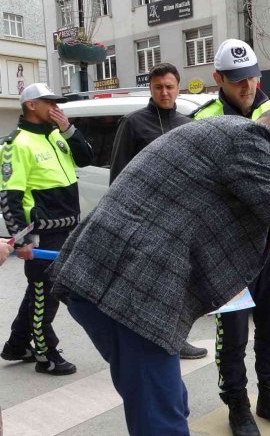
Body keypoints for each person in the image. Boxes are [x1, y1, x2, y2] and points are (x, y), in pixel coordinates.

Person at [48, 104, 270, 436]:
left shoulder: (230, 134)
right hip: (129, 293)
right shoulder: (253, 141)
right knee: (162, 418)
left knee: (166, 403)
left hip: (107, 282)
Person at [191, 38, 270, 435]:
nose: (246, 86)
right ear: (218, 78)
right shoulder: (204, 119)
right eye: (236, 79)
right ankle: (237, 403)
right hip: (229, 251)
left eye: (251, 77)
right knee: (233, 333)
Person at [107, 63, 206, 360]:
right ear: (150, 88)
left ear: (179, 88)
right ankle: (140, 340)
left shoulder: (188, 124)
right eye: (158, 86)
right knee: (144, 282)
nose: (164, 92)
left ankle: (176, 338)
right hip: (144, 218)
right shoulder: (133, 123)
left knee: (178, 282)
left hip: (180, 220)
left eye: (170, 87)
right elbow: (119, 174)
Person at [0, 83, 94, 375]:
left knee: (39, 291)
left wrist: (69, 130)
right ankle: (46, 354)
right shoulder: (17, 144)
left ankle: (18, 344)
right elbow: (9, 197)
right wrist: (20, 240)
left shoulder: (56, 135)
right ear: (31, 105)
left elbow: (86, 158)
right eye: (48, 102)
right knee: (46, 292)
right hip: (41, 231)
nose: (56, 107)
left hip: (66, 226)